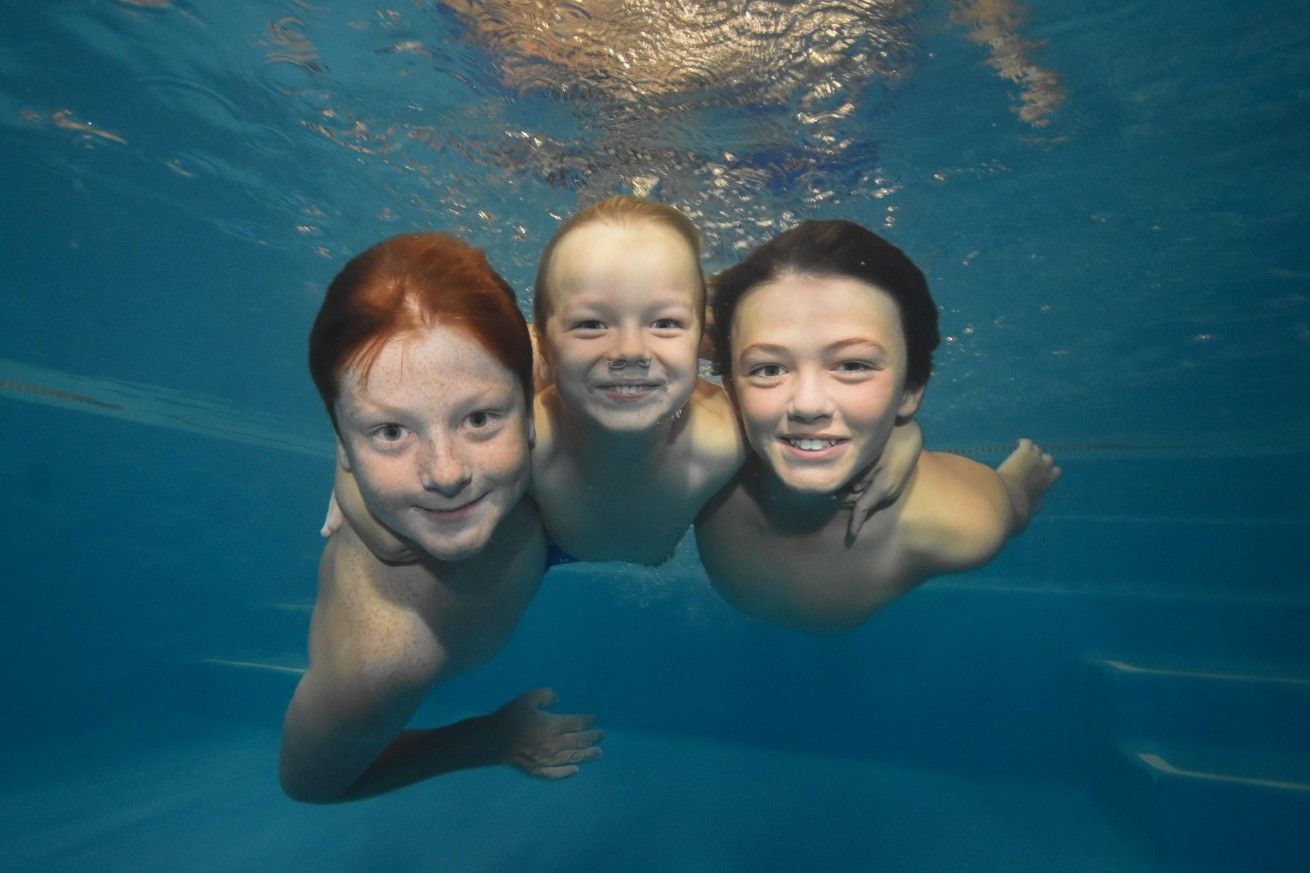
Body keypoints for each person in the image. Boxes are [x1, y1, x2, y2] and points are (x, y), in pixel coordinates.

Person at [327, 197, 919, 566]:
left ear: (700, 340)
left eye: (665, 324)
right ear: (550, 345)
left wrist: (900, 438)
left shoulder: (726, 436)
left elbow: (812, 410)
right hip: (547, 548)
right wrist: (350, 482)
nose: (630, 353)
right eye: (591, 325)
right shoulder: (518, 434)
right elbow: (405, 402)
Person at [280, 233, 602, 804]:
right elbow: (311, 784)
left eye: (479, 418)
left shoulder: (516, 361)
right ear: (342, 442)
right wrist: (483, 741)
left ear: (529, 402)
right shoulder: (384, 655)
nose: (446, 472)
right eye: (390, 431)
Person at [694, 220, 1060, 634]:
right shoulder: (698, 447)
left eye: (853, 365)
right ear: (728, 383)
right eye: (768, 369)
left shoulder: (961, 523)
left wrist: (1017, 489)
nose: (808, 405)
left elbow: (1006, 513)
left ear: (911, 389)